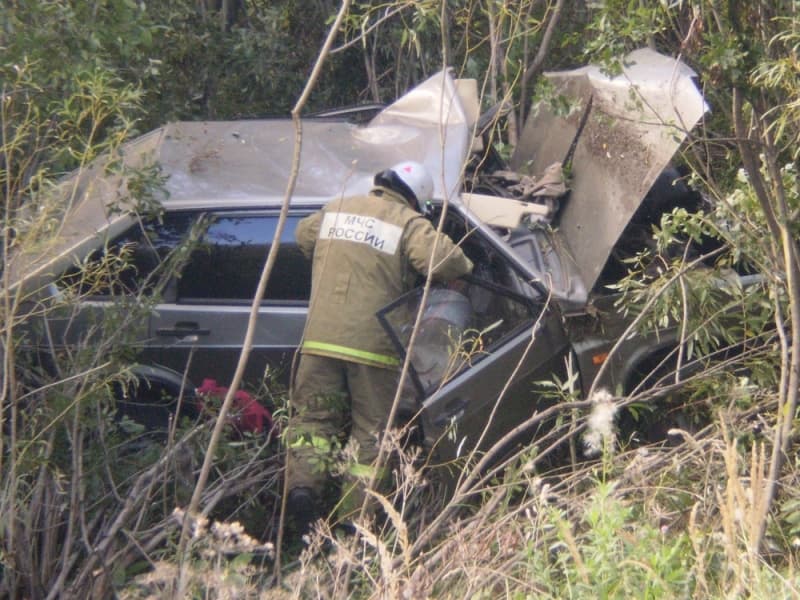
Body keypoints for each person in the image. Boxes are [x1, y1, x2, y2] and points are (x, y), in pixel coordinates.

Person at [286, 161, 474, 535]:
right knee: (371, 435)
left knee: (311, 422)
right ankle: (354, 522)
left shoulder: (336, 208)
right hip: (373, 347)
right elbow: (448, 262)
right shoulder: (407, 222)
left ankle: (302, 490)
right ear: (416, 198)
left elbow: (303, 236)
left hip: (318, 340)